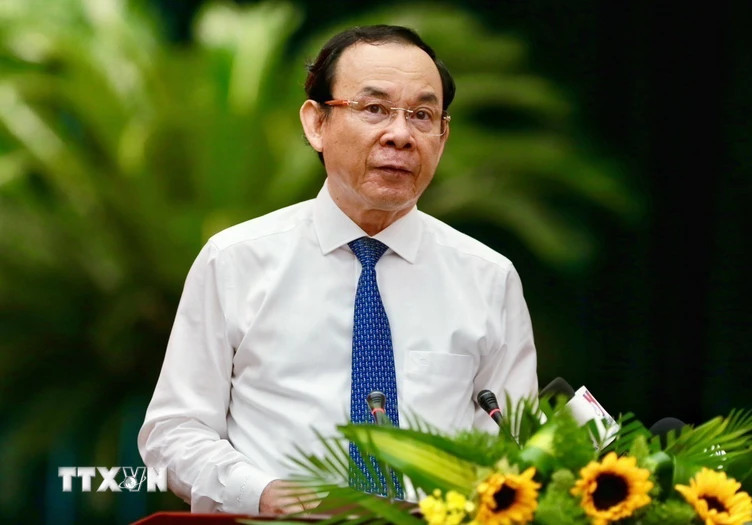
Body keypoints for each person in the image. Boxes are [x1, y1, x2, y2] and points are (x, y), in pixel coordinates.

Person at [138, 24, 538, 516]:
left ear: (443, 135)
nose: (400, 135)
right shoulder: (236, 260)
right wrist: (264, 494)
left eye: (422, 115)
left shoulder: (488, 278)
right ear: (316, 124)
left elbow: (511, 447)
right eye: (374, 109)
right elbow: (174, 432)